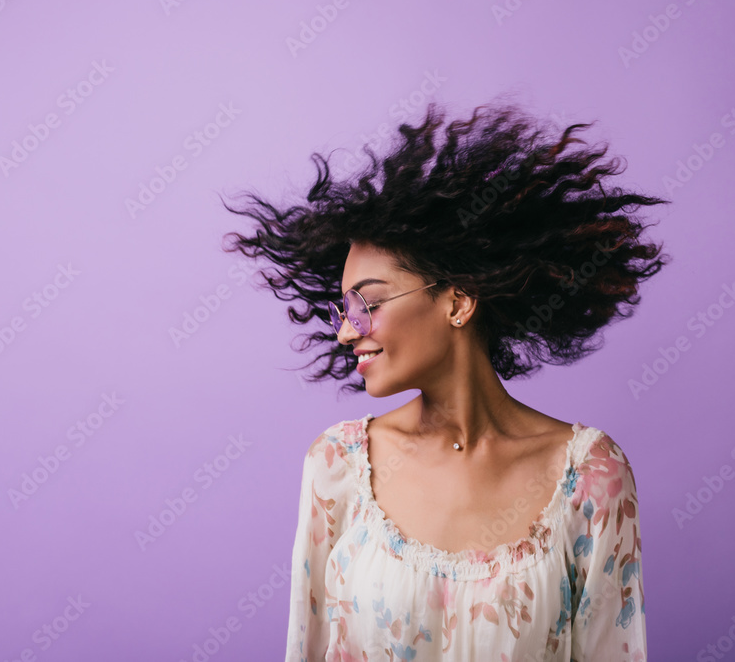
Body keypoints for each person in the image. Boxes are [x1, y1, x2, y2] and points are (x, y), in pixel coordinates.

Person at [221, 98, 670, 661]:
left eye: (369, 302)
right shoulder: (337, 467)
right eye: (343, 309)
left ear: (457, 302)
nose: (344, 331)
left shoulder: (591, 478)